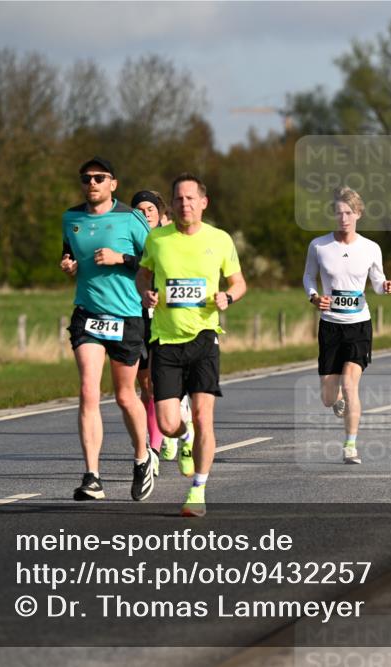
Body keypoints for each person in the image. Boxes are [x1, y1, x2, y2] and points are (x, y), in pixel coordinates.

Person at [135, 172, 246, 517]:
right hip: (165, 340)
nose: (185, 204)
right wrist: (146, 293)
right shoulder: (158, 239)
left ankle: (198, 490)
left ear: (203, 202)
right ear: (174, 203)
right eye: (179, 198)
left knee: (203, 416)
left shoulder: (220, 239)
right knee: (168, 423)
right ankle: (184, 438)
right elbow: (143, 274)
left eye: (190, 198)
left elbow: (239, 283)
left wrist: (227, 297)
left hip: (204, 338)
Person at [60, 157, 152, 501]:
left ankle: (142, 457)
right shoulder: (71, 219)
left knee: (126, 396)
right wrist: (67, 263)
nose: (92, 183)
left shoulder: (131, 219)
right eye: (86, 179)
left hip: (127, 316)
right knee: (88, 390)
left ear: (113, 183)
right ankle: (92, 476)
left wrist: (120, 259)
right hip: (88, 314)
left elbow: (154, 261)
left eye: (99, 178)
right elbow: (69, 251)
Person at [302, 186, 391, 464]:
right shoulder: (319, 246)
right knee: (328, 398)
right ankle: (337, 398)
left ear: (358, 214)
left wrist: (386, 286)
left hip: (358, 325)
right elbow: (308, 277)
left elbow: (378, 284)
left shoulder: (370, 248)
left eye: (348, 212)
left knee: (351, 383)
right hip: (330, 325)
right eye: (339, 212)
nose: (343, 218)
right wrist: (314, 296)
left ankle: (350, 445)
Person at [131, 190, 192, 466]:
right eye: (139, 210)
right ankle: (162, 433)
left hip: (170, 321)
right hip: (138, 317)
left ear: (160, 215)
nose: (144, 215)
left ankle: (159, 445)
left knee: (160, 384)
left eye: (150, 210)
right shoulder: (129, 241)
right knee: (146, 385)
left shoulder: (170, 241)